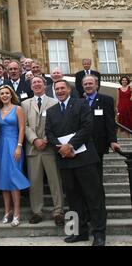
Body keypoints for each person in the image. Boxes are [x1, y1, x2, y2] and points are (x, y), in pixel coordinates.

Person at [45, 80, 107, 246]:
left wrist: (71, 145)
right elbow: (49, 133)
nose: (59, 91)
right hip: (65, 161)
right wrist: (62, 149)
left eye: (62, 88)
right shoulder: (51, 111)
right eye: (56, 89)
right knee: (73, 199)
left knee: (94, 197)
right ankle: (78, 232)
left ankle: (99, 234)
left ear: (69, 89)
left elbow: (87, 127)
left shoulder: (81, 104)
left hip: (84, 159)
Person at [21, 76, 64, 226]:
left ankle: (58, 211)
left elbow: (56, 124)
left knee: (55, 181)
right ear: (31, 87)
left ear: (45, 85)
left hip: (50, 148)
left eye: (39, 82)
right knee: (35, 182)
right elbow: (24, 126)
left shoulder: (53, 102)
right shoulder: (25, 104)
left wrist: (46, 139)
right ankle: (37, 211)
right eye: (34, 83)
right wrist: (35, 139)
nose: (37, 84)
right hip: (33, 148)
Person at [0, 85, 30, 227]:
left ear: (11, 94)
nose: (4, 95)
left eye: (7, 93)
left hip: (14, 145)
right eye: (2, 93)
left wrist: (19, 146)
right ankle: (7, 212)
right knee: (3, 179)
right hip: (0, 146)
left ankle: (17, 213)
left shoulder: (18, 109)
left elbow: (22, 128)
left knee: (14, 179)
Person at [83, 75, 121, 181]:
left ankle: (99, 197)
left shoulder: (106, 100)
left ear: (96, 85)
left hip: (98, 143)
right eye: (85, 84)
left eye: (90, 83)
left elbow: (110, 122)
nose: (88, 86)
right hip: (82, 144)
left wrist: (112, 140)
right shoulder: (80, 101)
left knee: (97, 175)